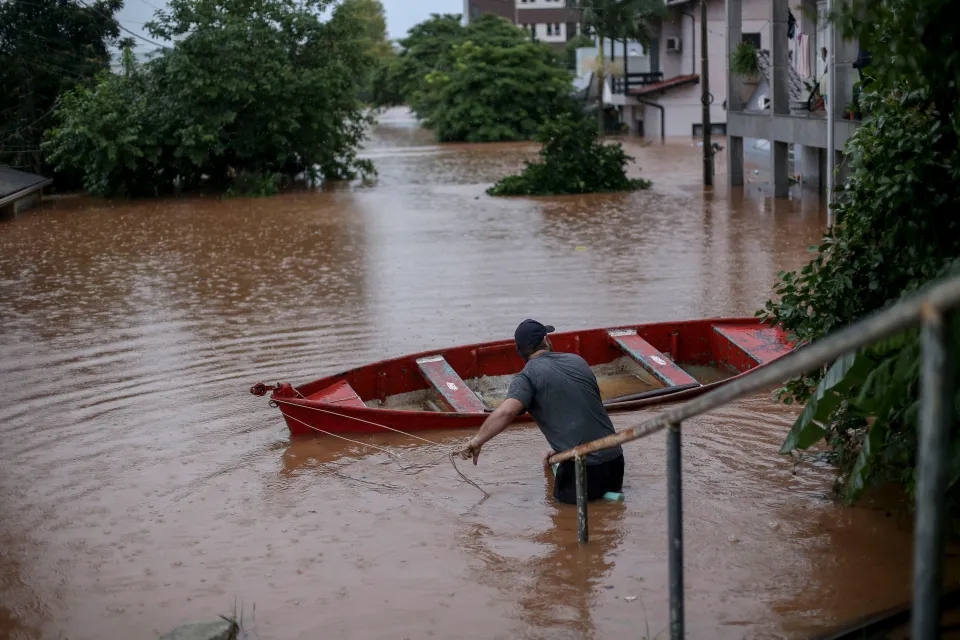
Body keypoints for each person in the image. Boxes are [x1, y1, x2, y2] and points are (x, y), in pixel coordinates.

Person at [454, 319, 625, 504]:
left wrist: (477, 441)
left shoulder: (526, 378)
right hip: (615, 463)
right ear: (546, 339)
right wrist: (560, 449)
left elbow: (505, 413)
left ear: (520, 352)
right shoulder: (578, 361)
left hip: (583, 471)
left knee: (560, 521)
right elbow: (583, 411)